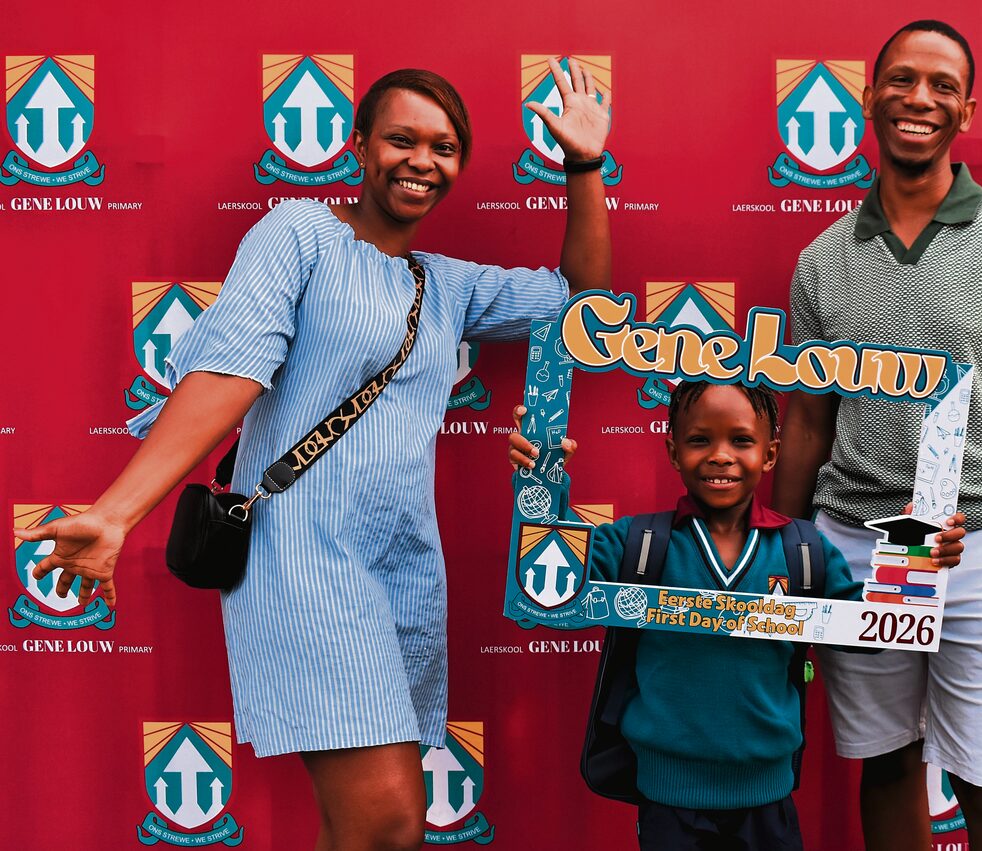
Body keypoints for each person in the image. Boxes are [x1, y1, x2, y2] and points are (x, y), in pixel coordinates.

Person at [14, 61, 611, 851]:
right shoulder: (298, 234)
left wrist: (584, 165)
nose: (421, 162)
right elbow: (229, 370)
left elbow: (582, 302)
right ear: (360, 144)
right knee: (393, 819)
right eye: (401, 139)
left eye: (443, 147)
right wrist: (121, 511)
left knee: (363, 828)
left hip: (402, 564)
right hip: (302, 556)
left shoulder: (449, 285)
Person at [772, 20, 982, 851]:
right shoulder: (820, 260)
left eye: (942, 85)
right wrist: (789, 553)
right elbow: (806, 420)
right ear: (869, 97)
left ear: (967, 108)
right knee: (887, 766)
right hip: (857, 541)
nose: (921, 99)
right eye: (903, 80)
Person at [510, 380, 966, 849]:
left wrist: (919, 556)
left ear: (770, 454)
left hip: (767, 797)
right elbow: (547, 574)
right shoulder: (638, 544)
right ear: (672, 451)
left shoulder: (804, 550)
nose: (721, 455)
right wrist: (541, 477)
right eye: (700, 439)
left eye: (741, 441)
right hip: (668, 799)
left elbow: (870, 628)